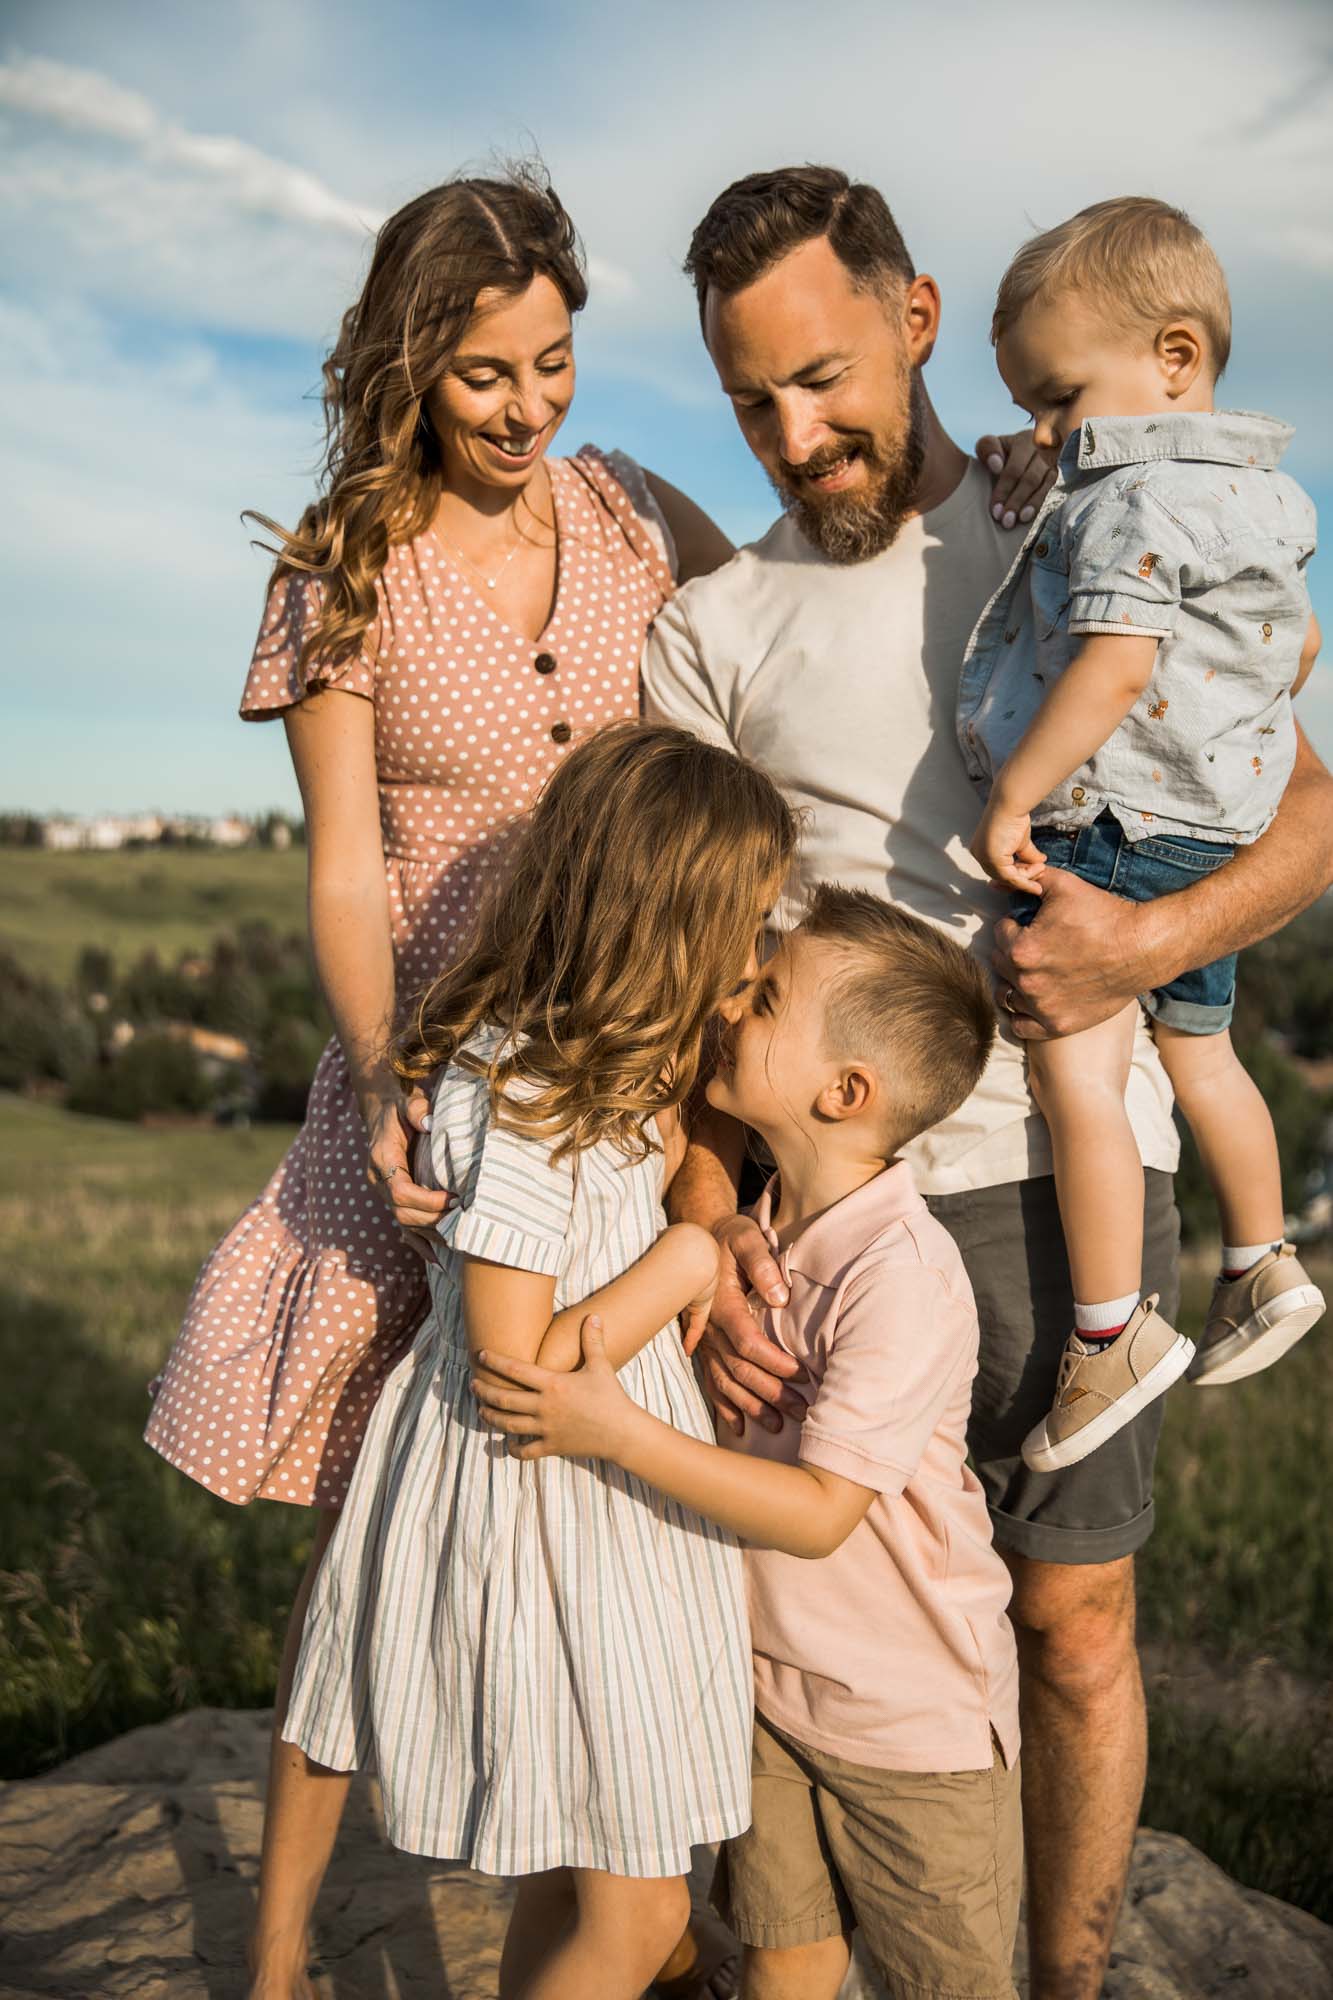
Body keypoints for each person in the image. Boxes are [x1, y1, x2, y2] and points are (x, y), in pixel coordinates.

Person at [640, 166, 1333, 2000]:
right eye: (748, 400)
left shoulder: (1091, 509)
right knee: (792, 1621)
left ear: (917, 320)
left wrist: (1130, 950)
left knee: (1073, 1624)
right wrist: (708, 1224)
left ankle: (1067, 1977)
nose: (795, 432)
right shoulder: (708, 638)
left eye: (823, 375)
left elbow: (1298, 810)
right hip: (831, 1211)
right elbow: (687, 973)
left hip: (1060, 1176)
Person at [140, 166, 737, 2000]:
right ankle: (274, 1955)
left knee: (635, 1485)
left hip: (636, 1085)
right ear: (410, 362)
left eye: (553, 363)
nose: (528, 408)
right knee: (365, 1537)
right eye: (486, 374)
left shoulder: (635, 514)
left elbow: (779, 624)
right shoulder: (339, 570)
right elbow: (340, 864)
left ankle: (639, 1905)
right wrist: (392, 1075)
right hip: (435, 1089)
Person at [280, 722, 797, 2000]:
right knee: (633, 1914)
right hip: (559, 1522)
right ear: (665, 924)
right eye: (743, 923)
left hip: (611, 1511)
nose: (753, 956)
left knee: (582, 1883)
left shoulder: (608, 1077)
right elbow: (519, 1367)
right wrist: (684, 1260)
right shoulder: (521, 1091)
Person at [476, 885, 1024, 2000]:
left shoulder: (900, 1275)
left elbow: (822, 1511)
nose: (732, 1003)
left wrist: (613, 1430)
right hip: (766, 1690)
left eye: (766, 999)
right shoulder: (765, 1229)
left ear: (844, 1090)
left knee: (945, 1983)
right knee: (786, 1958)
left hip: (908, 1717)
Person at [962, 196, 1325, 1474]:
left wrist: (1014, 791)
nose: (1052, 432)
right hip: (1214, 831)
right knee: (1202, 1051)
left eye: (1060, 400)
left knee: (1079, 1074)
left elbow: (1113, 666)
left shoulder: (1131, 500)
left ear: (1173, 358)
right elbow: (1301, 649)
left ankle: (1110, 1332)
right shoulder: (1266, 492)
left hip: (1111, 824)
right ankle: (1263, 1255)